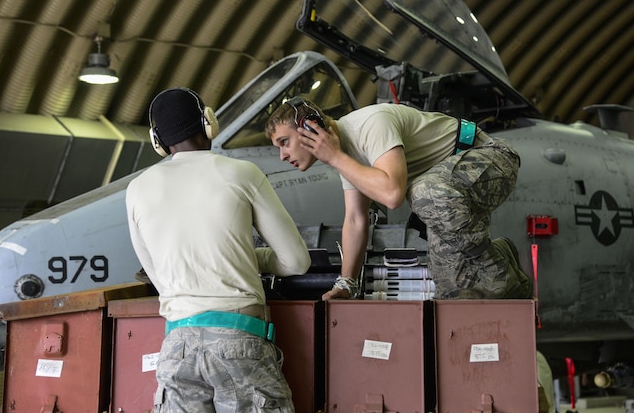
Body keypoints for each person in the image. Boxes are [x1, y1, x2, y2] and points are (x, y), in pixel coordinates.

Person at [127, 87, 311, 412]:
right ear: (208, 122)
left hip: (177, 347)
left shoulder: (137, 189)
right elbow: (296, 261)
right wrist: (247, 258)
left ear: (157, 141)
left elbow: (158, 273)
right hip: (240, 339)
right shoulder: (241, 172)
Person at [265, 97, 531, 301]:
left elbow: (393, 195)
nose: (282, 156)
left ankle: (497, 267)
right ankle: (508, 277)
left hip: (489, 158)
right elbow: (356, 220)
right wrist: (346, 283)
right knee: (452, 293)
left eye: (284, 142)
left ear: (310, 128)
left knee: (423, 192)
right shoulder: (345, 154)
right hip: (450, 188)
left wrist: (336, 158)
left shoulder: (371, 124)